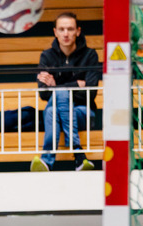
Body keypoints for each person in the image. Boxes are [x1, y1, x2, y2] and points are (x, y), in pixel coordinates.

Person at [30, 12, 101, 173]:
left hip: (83, 112)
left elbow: (90, 93)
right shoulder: (47, 56)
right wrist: (76, 85)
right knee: (52, 110)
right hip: (57, 113)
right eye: (61, 29)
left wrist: (57, 86)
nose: (66, 33)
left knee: (52, 109)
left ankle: (47, 160)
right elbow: (43, 94)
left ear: (78, 31)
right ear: (55, 32)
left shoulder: (90, 55)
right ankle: (78, 155)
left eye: (70, 29)